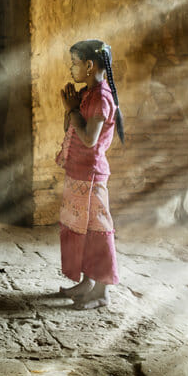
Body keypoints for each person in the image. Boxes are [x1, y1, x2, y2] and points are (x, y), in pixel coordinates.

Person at [54, 39, 125, 309]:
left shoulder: (102, 98)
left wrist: (72, 109)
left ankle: (102, 292)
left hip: (92, 176)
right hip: (77, 172)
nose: (72, 69)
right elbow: (68, 127)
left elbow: (89, 139)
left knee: (98, 230)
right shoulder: (87, 93)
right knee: (80, 228)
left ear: (89, 65)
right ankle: (87, 282)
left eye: (74, 63)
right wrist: (70, 106)